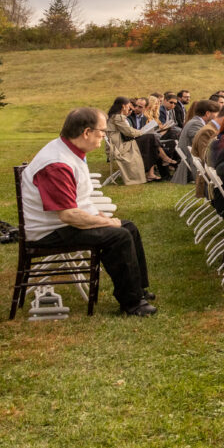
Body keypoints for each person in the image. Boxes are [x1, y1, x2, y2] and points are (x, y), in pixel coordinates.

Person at [20, 107, 156, 316]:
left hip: (62, 224)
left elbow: (78, 200)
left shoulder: (69, 152)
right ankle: (132, 303)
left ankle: (137, 289)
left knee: (128, 227)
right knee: (118, 236)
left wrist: (99, 216)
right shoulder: (57, 163)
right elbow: (68, 215)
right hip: (50, 231)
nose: (104, 136)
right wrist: (107, 222)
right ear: (86, 132)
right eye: (102, 131)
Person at [105, 96, 157, 183]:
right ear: (123, 106)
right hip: (119, 147)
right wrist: (142, 132)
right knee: (150, 138)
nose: (130, 109)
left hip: (118, 145)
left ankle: (151, 171)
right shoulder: (118, 117)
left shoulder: (115, 116)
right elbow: (129, 132)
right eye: (128, 106)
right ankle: (152, 170)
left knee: (150, 139)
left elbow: (129, 131)